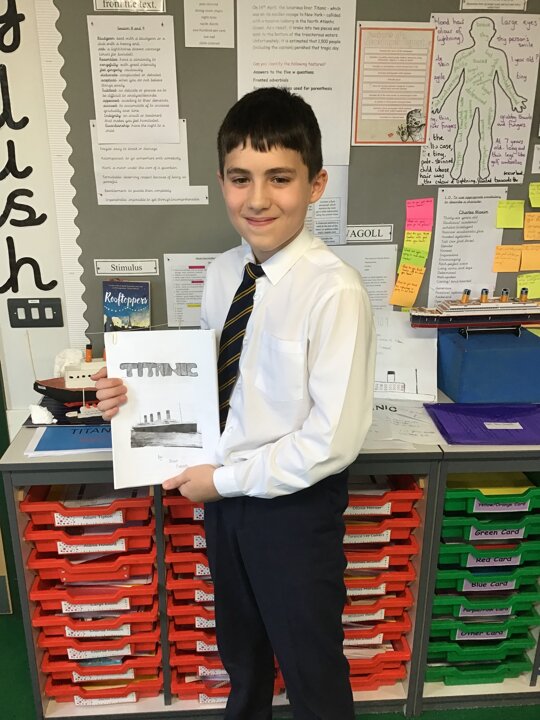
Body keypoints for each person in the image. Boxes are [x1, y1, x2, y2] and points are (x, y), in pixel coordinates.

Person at [95, 87, 375, 720]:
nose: (257, 198)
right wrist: (132, 395)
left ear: (316, 184)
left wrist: (222, 482)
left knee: (310, 665)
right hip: (223, 499)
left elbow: (330, 440)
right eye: (240, 178)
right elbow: (206, 381)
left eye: (280, 178)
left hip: (294, 509)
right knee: (241, 652)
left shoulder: (335, 291)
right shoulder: (225, 273)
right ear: (221, 181)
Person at [431, 16, 527, 181]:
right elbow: (453, 79)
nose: (483, 35)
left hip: (487, 98)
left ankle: (483, 165)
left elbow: (504, 80)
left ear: (492, 33)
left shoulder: (497, 55)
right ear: (472, 33)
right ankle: (458, 163)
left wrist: (514, 98)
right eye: (480, 31)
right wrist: (440, 99)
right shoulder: (463, 55)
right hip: (467, 97)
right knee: (462, 132)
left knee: (485, 133)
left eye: (486, 32)